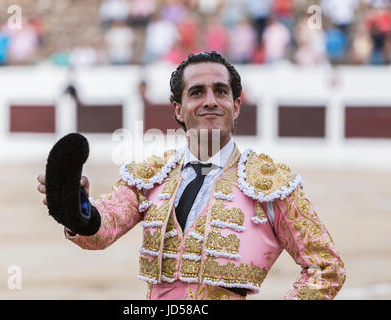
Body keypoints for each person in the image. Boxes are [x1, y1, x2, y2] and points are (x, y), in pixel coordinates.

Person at [37, 51, 346, 300]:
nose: (210, 100)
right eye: (197, 92)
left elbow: (325, 267)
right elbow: (104, 228)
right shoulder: (151, 176)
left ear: (236, 106)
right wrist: (76, 208)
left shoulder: (271, 185)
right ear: (178, 109)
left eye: (221, 92)